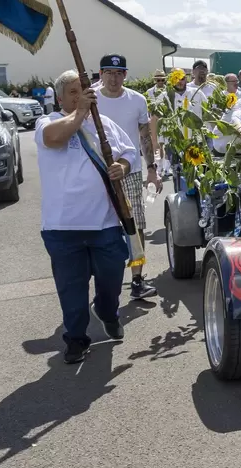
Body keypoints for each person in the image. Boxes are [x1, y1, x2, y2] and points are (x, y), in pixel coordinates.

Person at [35, 70, 138, 363]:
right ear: (59, 98)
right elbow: (54, 139)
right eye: (71, 91)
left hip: (104, 223)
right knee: (72, 289)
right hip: (62, 227)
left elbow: (129, 153)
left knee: (112, 280)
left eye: (82, 89)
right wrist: (80, 112)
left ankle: (106, 311)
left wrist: (122, 167)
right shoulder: (48, 122)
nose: (79, 95)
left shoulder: (105, 125)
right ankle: (76, 339)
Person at [95, 54, 160, 300]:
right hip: (98, 172)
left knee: (135, 226)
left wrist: (151, 168)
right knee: (101, 227)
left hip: (130, 171)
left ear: (125, 74)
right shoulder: (92, 100)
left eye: (119, 73)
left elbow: (144, 137)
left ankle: (137, 279)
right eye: (109, 73)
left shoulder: (137, 100)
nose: (114, 78)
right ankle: (104, 283)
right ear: (101, 74)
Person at [213, 73, 241, 155]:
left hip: (238, 138)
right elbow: (215, 112)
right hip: (222, 137)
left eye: (237, 81)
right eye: (233, 81)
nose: (236, 83)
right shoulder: (220, 96)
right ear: (226, 83)